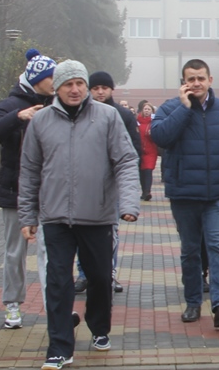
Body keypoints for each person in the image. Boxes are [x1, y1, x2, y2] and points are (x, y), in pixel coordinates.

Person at [18, 60, 140, 370]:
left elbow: (126, 161)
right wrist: (28, 216)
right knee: (58, 282)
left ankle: (99, 327)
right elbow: (30, 171)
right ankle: (59, 348)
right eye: (68, 84)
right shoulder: (41, 122)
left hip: (97, 215)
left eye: (80, 83)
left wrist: (128, 204)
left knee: (99, 278)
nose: (75, 89)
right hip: (55, 217)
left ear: (86, 87)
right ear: (56, 88)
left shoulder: (107, 117)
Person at [151, 59, 219, 328]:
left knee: (217, 245)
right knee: (191, 250)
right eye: (190, 79)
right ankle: (193, 302)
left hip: (218, 193)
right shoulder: (170, 108)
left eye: (200, 78)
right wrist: (184, 110)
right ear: (183, 82)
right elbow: (160, 138)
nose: (196, 83)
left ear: (210, 80)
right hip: (184, 193)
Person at [0, 48, 56, 330]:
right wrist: (18, 117)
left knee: (51, 252)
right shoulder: (10, 104)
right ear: (38, 79)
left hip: (50, 193)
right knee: (15, 251)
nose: (56, 81)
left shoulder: (56, 103)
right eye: (52, 77)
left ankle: (54, 309)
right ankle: (12, 305)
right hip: (15, 192)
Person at [74, 71, 142, 295]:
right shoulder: (78, 114)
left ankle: (109, 274)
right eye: (96, 88)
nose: (100, 92)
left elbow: (132, 151)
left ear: (112, 89)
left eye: (104, 87)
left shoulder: (122, 115)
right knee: (79, 232)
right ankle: (83, 274)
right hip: (82, 185)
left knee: (109, 233)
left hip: (110, 186)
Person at [137, 103, 159, 201]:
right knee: (142, 172)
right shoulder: (137, 122)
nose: (146, 111)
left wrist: (153, 134)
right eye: (145, 109)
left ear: (152, 112)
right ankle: (143, 191)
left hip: (151, 151)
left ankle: (147, 192)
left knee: (148, 171)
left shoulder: (154, 123)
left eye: (148, 109)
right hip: (139, 150)